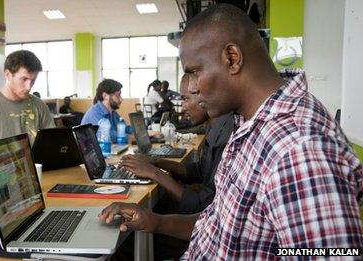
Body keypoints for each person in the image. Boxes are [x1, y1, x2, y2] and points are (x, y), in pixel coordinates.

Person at [100, 4, 363, 259]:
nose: (191, 88)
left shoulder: (298, 150)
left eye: (193, 72)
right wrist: (154, 221)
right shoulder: (248, 124)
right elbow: (220, 226)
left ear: (232, 58)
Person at [120, 74, 233, 214]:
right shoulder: (216, 125)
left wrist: (153, 172)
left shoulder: (228, 135)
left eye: (185, 99)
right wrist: (156, 161)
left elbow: (200, 206)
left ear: (205, 95)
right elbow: (200, 170)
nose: (183, 107)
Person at [0, 50, 55, 147]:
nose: (28, 87)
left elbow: (51, 142)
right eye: (24, 79)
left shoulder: (39, 105)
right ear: (7, 75)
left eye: (33, 80)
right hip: (2, 162)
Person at [81, 79, 132, 143]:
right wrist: (132, 137)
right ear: (105, 96)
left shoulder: (113, 112)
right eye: (118, 95)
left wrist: (137, 130)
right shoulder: (95, 114)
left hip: (110, 150)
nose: (121, 99)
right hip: (97, 151)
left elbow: (123, 128)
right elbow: (111, 138)